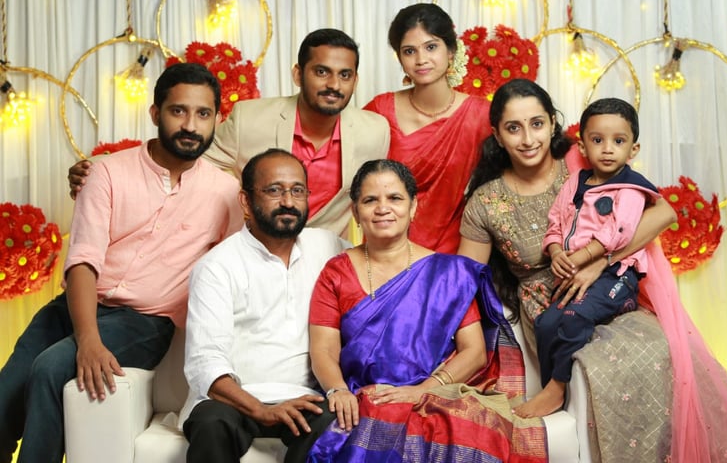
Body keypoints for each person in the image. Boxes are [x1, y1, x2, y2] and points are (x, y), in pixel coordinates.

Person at [459, 79, 727, 461]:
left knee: (665, 350)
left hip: (611, 282)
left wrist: (600, 262)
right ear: (497, 135)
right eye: (513, 128)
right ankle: (561, 395)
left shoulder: (582, 159)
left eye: (536, 124)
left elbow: (662, 213)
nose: (528, 139)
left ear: (552, 123)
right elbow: (465, 279)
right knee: (600, 365)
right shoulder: (486, 201)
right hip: (551, 299)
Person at [0, 62, 243, 463]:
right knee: (8, 388)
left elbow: (234, 270)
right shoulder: (106, 172)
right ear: (155, 113)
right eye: (178, 111)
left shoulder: (227, 192)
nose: (190, 125)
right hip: (74, 306)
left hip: (145, 322)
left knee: (50, 368)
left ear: (217, 119)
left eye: (203, 114)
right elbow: (83, 260)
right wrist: (89, 340)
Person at [306, 159, 548, 462]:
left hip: (435, 395)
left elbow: (474, 351)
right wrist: (337, 391)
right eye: (370, 200)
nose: (383, 208)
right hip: (364, 395)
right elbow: (324, 349)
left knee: (463, 430)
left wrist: (423, 390)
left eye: (395, 198)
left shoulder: (448, 273)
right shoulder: (336, 272)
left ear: (413, 207)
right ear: (355, 211)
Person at [69, 28, 390, 237]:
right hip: (257, 254)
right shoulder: (251, 119)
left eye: (344, 75)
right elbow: (182, 156)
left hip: (327, 262)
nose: (334, 85)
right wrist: (101, 167)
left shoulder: (374, 131)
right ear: (298, 74)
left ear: (355, 80)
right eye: (322, 72)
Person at [181, 149, 348, 463]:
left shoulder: (329, 247)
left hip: (307, 399)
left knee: (336, 422)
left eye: (297, 191)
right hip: (235, 400)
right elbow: (204, 361)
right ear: (246, 202)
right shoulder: (217, 266)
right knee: (211, 423)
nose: (288, 201)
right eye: (274, 190)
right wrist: (260, 409)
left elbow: (380, 267)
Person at [517, 97, 661, 418]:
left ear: (633, 149)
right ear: (583, 146)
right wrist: (556, 251)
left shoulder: (631, 188)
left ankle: (557, 387)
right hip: (575, 269)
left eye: (618, 141)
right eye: (597, 140)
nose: (607, 149)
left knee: (573, 317)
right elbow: (555, 222)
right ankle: (550, 389)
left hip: (616, 274)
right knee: (546, 323)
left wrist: (582, 257)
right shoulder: (575, 182)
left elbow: (620, 231)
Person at [364, 3, 491, 253]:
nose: (421, 59)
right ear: (400, 58)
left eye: (431, 47)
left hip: (459, 251)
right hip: (388, 253)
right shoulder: (380, 111)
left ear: (451, 51)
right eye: (409, 51)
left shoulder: (481, 116)